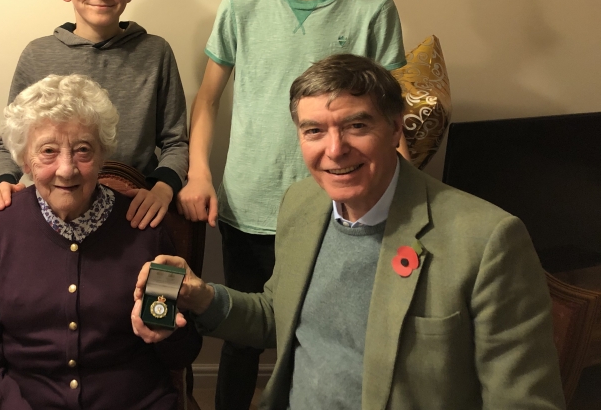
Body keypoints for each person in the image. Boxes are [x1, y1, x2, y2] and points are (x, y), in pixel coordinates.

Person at [136, 54, 565, 410]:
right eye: (314, 131)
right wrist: (203, 296)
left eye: (357, 126)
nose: (335, 149)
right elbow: (277, 316)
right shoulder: (302, 205)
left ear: (396, 127)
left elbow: (524, 402)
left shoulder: (489, 241)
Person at [176, 0, 407, 406]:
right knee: (241, 340)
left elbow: (392, 114)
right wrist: (199, 173)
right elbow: (208, 100)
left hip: (339, 208)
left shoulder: (374, 9)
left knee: (322, 337)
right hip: (250, 205)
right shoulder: (241, 6)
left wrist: (393, 200)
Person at [0, 74, 202, 410]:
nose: (66, 169)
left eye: (83, 150)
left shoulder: (145, 226)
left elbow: (181, 354)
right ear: (25, 160)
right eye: (48, 151)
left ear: (103, 154)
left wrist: (169, 331)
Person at [0, 0, 188, 230]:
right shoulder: (37, 55)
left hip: (131, 212)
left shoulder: (155, 53)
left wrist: (162, 187)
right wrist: (2, 181)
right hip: (55, 206)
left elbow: (176, 142)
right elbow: (10, 143)